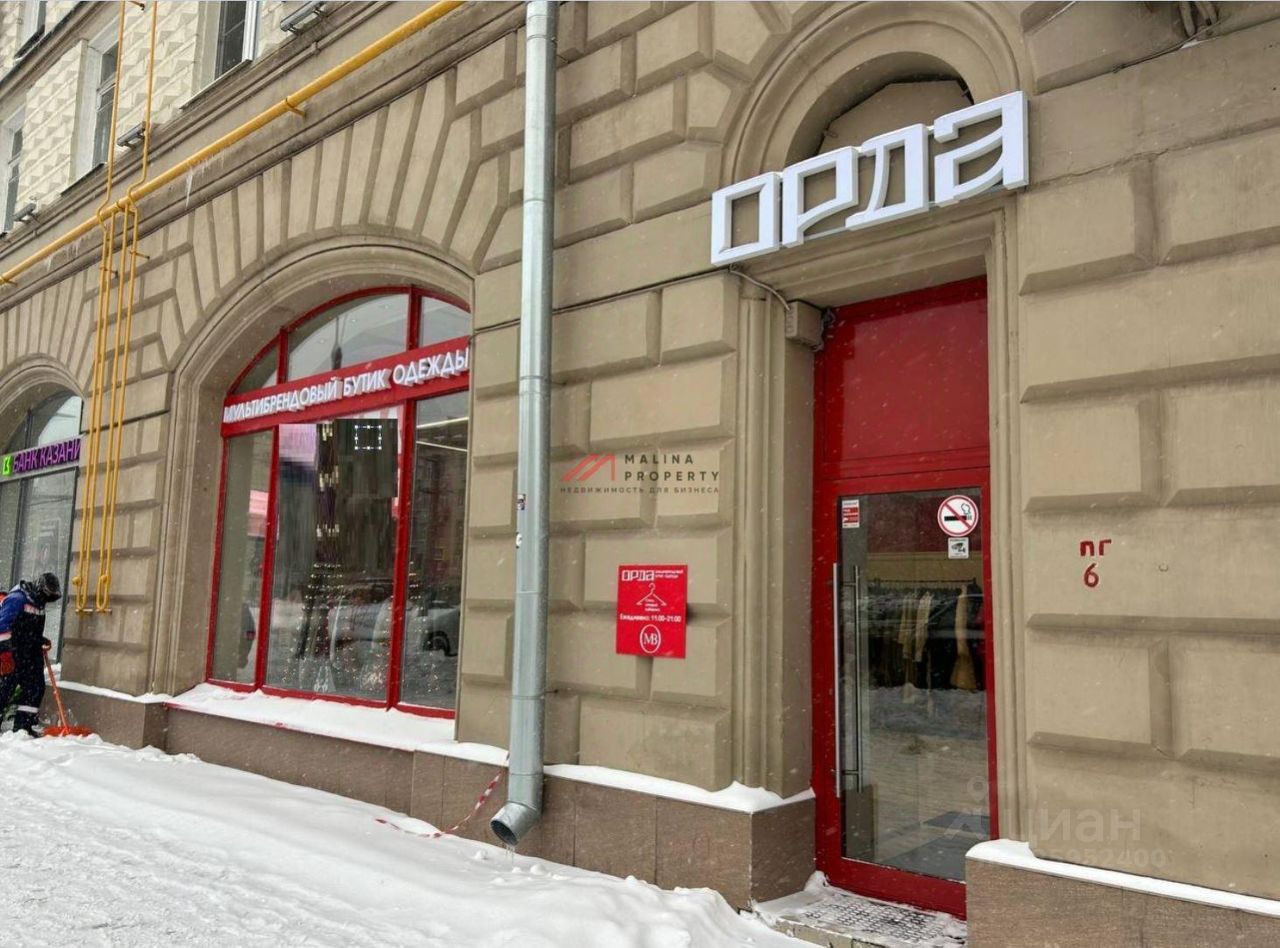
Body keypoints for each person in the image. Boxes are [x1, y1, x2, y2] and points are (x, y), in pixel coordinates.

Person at [0, 572, 61, 735]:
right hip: (12, 653)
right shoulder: (17, 599)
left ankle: (23, 727)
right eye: (47, 596)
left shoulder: (39, 604)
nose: (47, 600)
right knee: (5, 690)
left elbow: (29, 630)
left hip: (31, 655)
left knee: (35, 688)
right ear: (40, 589)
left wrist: (40, 639)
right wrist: (4, 654)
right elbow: (2, 627)